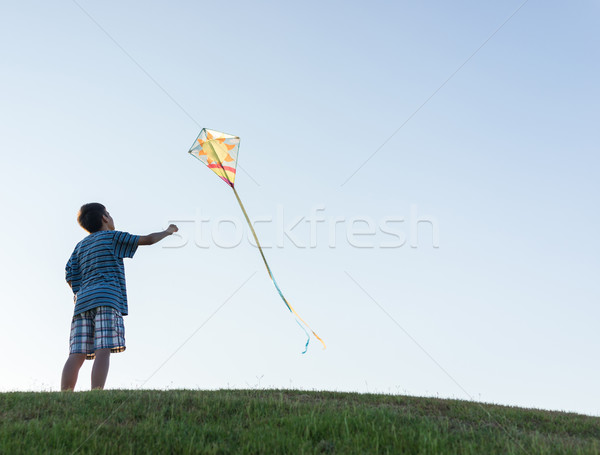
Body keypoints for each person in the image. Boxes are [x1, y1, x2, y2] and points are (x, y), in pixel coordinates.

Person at [61, 202, 178, 391]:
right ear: (105, 218)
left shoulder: (79, 247)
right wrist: (168, 231)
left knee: (76, 353)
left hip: (82, 303)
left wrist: (79, 292)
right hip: (107, 299)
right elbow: (147, 240)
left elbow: (69, 274)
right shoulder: (112, 237)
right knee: (103, 350)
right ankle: (96, 392)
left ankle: (64, 395)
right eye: (109, 213)